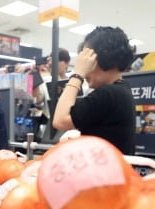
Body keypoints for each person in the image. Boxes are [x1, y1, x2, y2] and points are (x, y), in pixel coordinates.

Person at [53, 26, 136, 155]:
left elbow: (60, 120)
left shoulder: (109, 93)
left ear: (104, 58)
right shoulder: (122, 89)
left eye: (88, 60)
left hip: (104, 173)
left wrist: (78, 74)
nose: (86, 68)